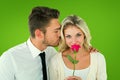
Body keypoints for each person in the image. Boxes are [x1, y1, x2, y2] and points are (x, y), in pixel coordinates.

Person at [0, 6, 61, 80]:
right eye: (56, 31)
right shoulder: (9, 59)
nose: (60, 34)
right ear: (39, 34)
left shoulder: (52, 53)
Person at [49, 15, 107, 80]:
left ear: (84, 35)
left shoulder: (98, 58)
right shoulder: (55, 61)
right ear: (63, 38)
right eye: (68, 36)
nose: (74, 41)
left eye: (78, 35)